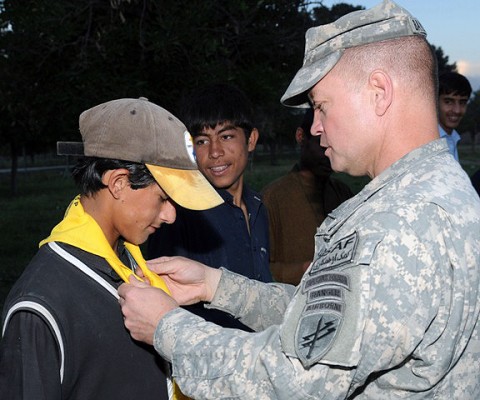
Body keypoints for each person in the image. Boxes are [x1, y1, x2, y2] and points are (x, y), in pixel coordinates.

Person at [118, 1, 480, 398]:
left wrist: (167, 327)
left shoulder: (398, 223)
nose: (316, 128)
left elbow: (291, 378)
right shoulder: (440, 191)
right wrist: (216, 286)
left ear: (379, 92)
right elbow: (330, 324)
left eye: (322, 106)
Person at [0, 97, 223, 400]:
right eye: (163, 198)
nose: (171, 215)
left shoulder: (132, 263)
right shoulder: (41, 307)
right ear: (118, 183)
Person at [147, 83, 272, 331]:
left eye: (226, 137)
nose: (215, 152)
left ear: (251, 140)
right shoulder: (178, 214)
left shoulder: (259, 208)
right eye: (202, 141)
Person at [262, 108, 353, 285]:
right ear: (301, 136)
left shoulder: (344, 194)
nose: (328, 151)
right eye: (321, 142)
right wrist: (306, 269)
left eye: (335, 142)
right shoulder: (271, 198)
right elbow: (261, 269)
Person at [438, 71, 472, 161]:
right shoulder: (427, 141)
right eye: (448, 102)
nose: (457, 110)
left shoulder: (452, 137)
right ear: (434, 102)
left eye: (462, 102)